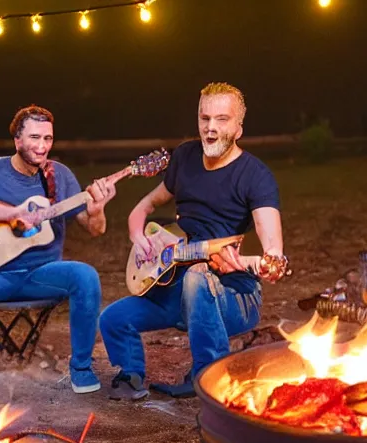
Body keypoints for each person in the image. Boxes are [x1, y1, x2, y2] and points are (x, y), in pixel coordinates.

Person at [99, 82, 288, 400]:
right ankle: (131, 374)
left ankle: (206, 375)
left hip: (232, 297)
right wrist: (140, 239)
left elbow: (274, 253)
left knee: (198, 277)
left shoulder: (256, 176)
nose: (210, 129)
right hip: (173, 286)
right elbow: (144, 207)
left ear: (239, 128)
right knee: (113, 319)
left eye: (222, 119)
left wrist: (264, 264)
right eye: (204, 118)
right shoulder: (185, 156)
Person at [0, 105, 116, 399]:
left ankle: (81, 368)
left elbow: (95, 229)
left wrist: (97, 210)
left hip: (41, 275)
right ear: (17, 140)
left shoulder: (60, 176)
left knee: (85, 276)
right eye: (35, 137)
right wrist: (10, 214)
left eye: (48, 138)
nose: (42, 146)